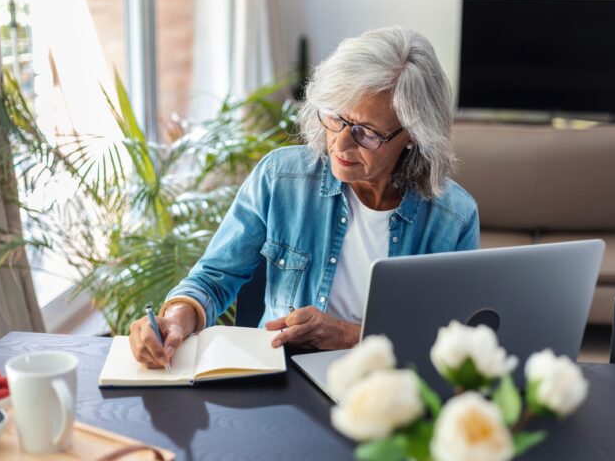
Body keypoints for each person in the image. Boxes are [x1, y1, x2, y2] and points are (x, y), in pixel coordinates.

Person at [129, 26, 479, 369]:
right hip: (282, 379)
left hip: (389, 390)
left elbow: (451, 343)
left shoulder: (453, 218)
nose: (340, 145)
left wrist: (346, 336)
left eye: (366, 133)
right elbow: (212, 278)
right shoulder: (280, 178)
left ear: (414, 135)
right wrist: (175, 319)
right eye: (335, 118)